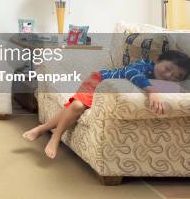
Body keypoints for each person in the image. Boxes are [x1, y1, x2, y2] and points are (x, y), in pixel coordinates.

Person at [22, 50, 190, 159]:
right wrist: (152, 91)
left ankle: (42, 128)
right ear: (157, 60)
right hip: (99, 79)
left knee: (74, 106)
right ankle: (55, 137)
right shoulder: (145, 65)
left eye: (177, 76)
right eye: (168, 68)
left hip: (107, 93)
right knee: (78, 107)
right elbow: (131, 73)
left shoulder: (165, 83)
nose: (168, 75)